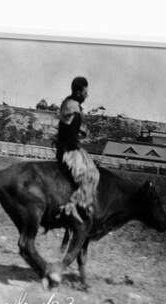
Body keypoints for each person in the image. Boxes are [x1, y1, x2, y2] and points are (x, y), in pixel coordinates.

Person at [55, 76, 100, 223]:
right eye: (85, 91)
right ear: (79, 92)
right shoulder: (72, 106)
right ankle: (72, 206)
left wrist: (78, 132)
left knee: (94, 173)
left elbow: (68, 126)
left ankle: (83, 204)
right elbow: (67, 129)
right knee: (89, 175)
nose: (87, 95)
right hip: (68, 149)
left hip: (71, 146)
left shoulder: (70, 104)